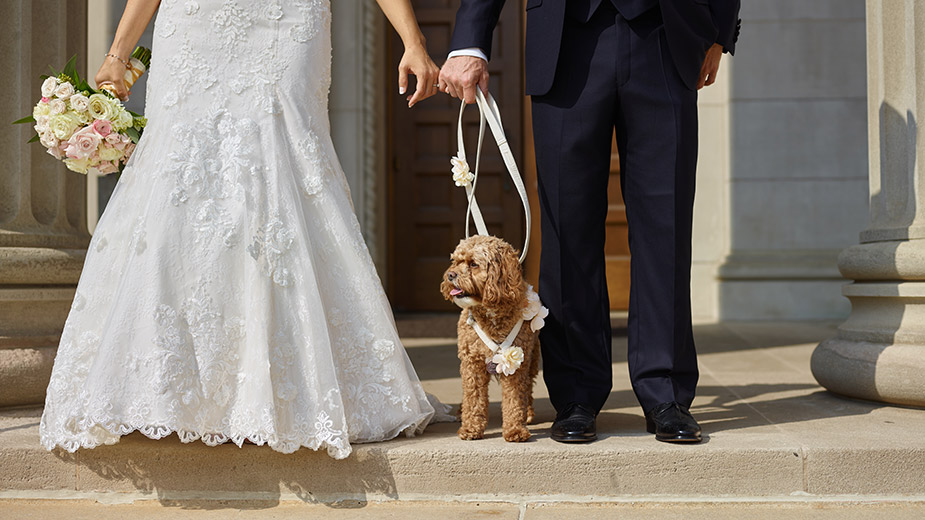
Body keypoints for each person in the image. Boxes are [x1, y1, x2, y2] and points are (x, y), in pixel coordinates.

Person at [40, 0, 448, 459]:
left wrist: (414, 40)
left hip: (287, 21)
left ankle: (278, 389)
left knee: (287, 153)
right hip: (195, 21)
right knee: (180, 169)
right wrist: (118, 53)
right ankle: (166, 390)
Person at [439, 0, 740, 443]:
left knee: (666, 226)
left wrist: (718, 31)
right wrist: (471, 38)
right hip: (565, 39)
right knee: (567, 229)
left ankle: (666, 393)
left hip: (666, 33)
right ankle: (577, 394)